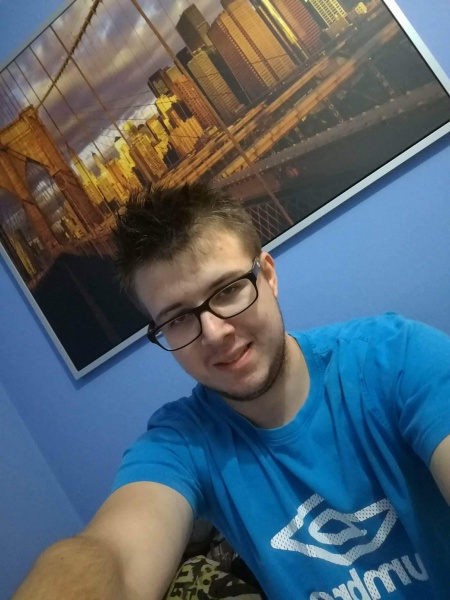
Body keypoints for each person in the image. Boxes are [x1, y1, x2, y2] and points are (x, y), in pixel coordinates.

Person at [14, 183, 450, 600]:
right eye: (178, 319)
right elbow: (114, 558)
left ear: (268, 275)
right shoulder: (183, 441)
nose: (214, 333)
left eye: (226, 290)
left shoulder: (396, 358)